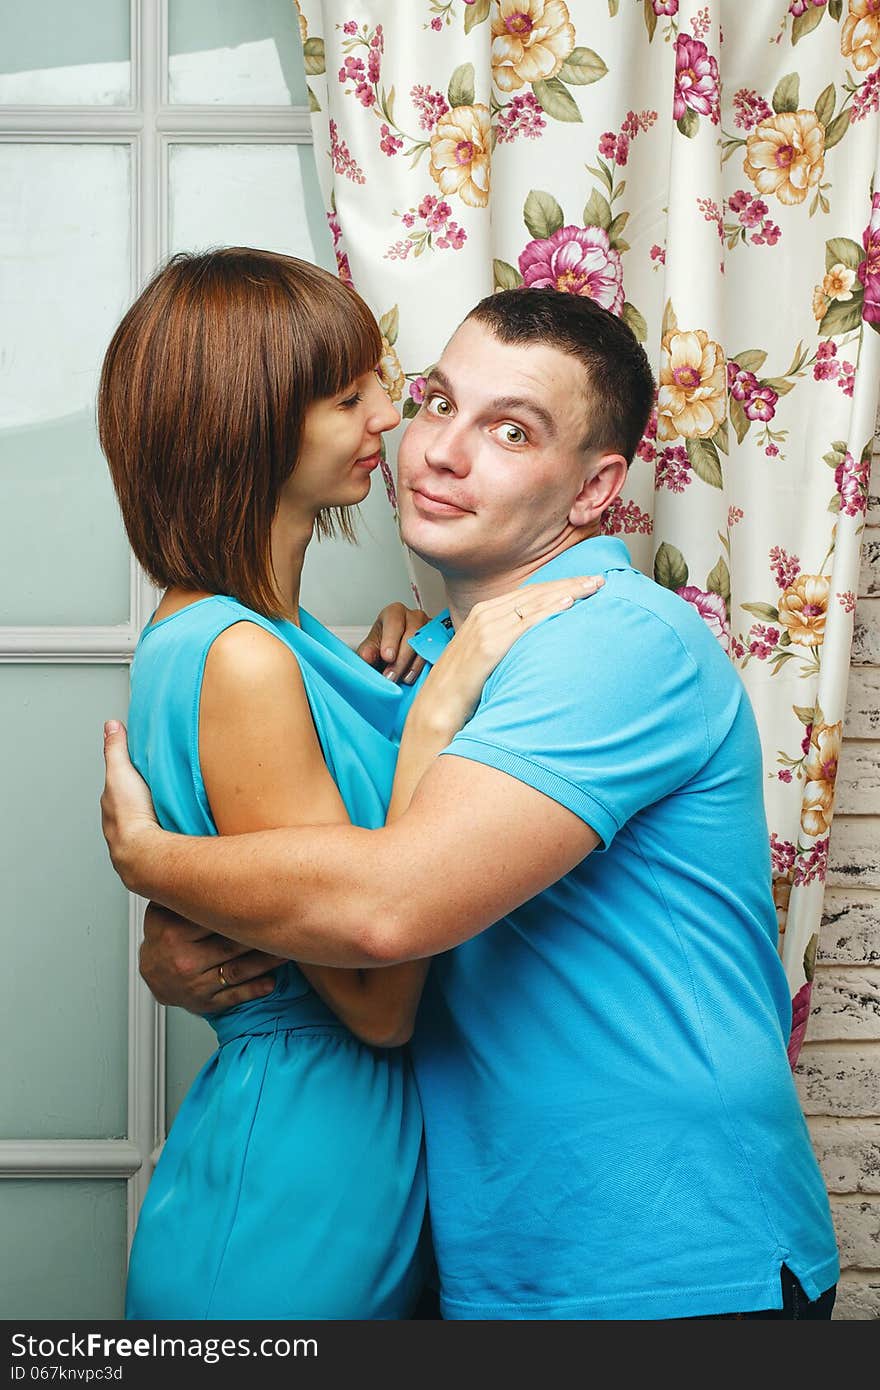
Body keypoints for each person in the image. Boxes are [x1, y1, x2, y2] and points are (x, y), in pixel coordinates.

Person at [102, 286, 840, 1320]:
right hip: (497, 1260)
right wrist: (194, 941)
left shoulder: (607, 640)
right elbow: (329, 866)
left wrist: (154, 866)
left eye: (509, 430)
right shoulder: (422, 664)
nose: (439, 450)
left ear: (594, 490)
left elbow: (385, 911)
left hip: (661, 1261)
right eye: (437, 402)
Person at [97, 250, 602, 1320]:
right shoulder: (237, 655)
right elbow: (374, 1005)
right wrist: (433, 707)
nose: (392, 416)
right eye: (348, 396)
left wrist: (405, 657)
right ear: (255, 425)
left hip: (367, 1158)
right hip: (299, 1171)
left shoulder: (280, 639)